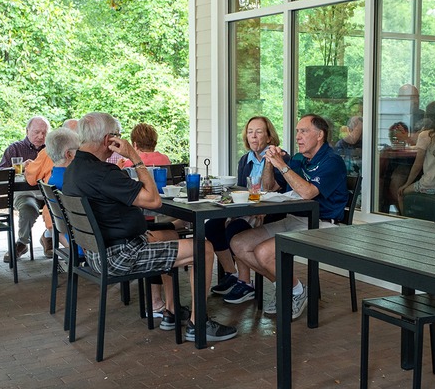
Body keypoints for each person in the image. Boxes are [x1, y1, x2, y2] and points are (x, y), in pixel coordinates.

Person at [63, 112, 237, 342]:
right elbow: (153, 201)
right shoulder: (103, 173)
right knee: (203, 248)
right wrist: (135, 157)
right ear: (108, 140)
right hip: (120, 255)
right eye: (117, 136)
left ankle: (172, 312)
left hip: (101, 251)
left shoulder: (75, 168)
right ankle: (199, 323)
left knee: (171, 233)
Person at [230, 114, 348, 319]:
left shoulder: (332, 161)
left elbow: (309, 192)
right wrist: (270, 162)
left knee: (264, 253)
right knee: (239, 243)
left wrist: (282, 165)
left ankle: (294, 291)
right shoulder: (300, 159)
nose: (298, 137)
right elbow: (269, 188)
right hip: (295, 219)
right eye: (297, 132)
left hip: (323, 224)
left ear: (320, 135)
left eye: (303, 131)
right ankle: (293, 289)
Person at [208, 116, 289, 304]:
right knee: (212, 226)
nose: (253, 136)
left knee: (234, 230)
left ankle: (245, 283)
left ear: (269, 137)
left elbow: (270, 189)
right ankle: (232, 274)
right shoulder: (245, 159)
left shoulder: (280, 156)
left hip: (271, 212)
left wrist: (269, 161)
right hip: (248, 209)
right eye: (250, 132)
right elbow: (241, 190)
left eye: (259, 132)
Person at [25, 119, 78, 257]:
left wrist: (28, 167)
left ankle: (48, 235)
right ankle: (48, 236)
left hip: (57, 212)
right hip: (77, 216)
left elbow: (31, 178)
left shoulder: (47, 152)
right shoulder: (84, 154)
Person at [0, 116, 50, 262]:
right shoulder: (14, 148)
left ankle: (49, 237)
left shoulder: (50, 150)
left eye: (44, 133)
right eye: (36, 132)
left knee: (61, 206)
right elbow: (1, 172)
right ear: (27, 131)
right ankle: (22, 243)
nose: (40, 136)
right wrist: (20, 167)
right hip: (24, 192)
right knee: (28, 208)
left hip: (46, 192)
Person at [397, 108, 435, 213]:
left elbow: (417, 165)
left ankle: (404, 223)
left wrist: (406, 184)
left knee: (401, 194)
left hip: (431, 184)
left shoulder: (427, 135)